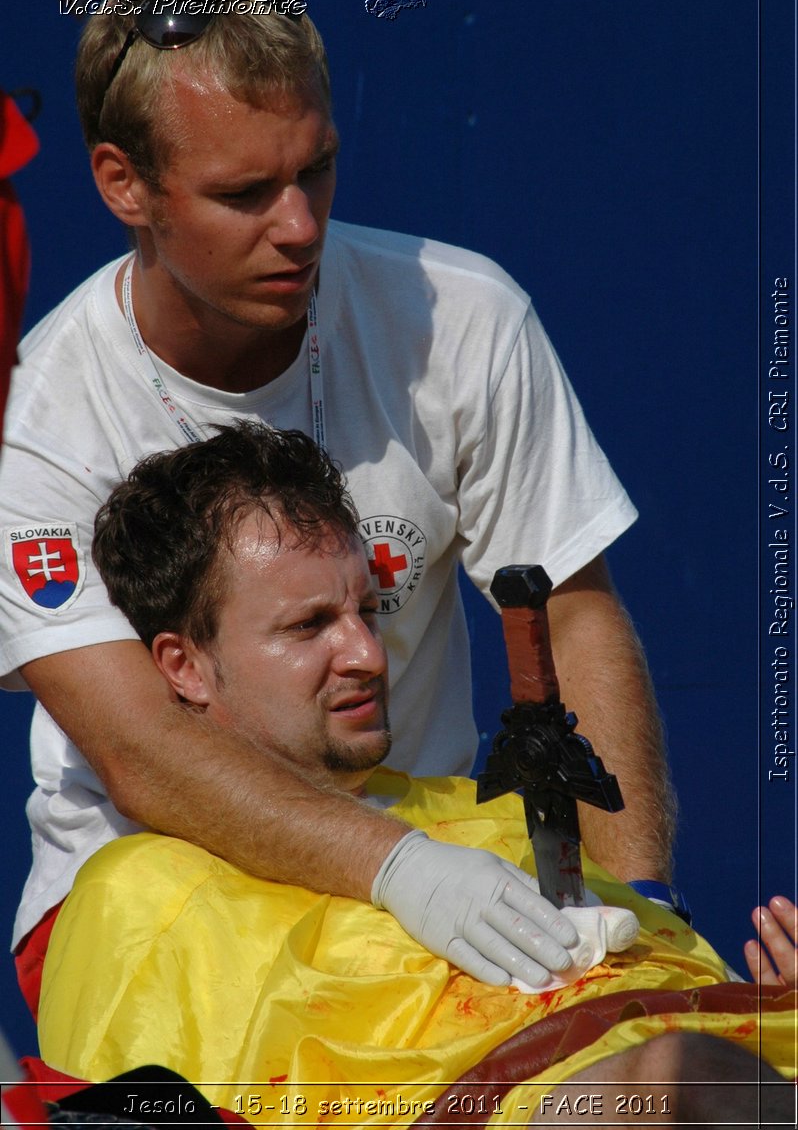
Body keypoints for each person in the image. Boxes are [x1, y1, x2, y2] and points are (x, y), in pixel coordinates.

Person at [0, 0, 678, 1013]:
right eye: (243, 194)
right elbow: (140, 747)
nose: (301, 226)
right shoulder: (37, 417)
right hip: (149, 888)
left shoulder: (466, 317)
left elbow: (571, 619)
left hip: (444, 855)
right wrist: (401, 869)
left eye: (315, 170)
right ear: (121, 183)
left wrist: (641, 900)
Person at [36, 422, 794, 1128]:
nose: (367, 654)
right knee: (684, 1080)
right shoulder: (139, 894)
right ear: (184, 665)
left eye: (368, 612)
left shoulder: (494, 812)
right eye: (309, 627)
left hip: (729, 1076)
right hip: (596, 1103)